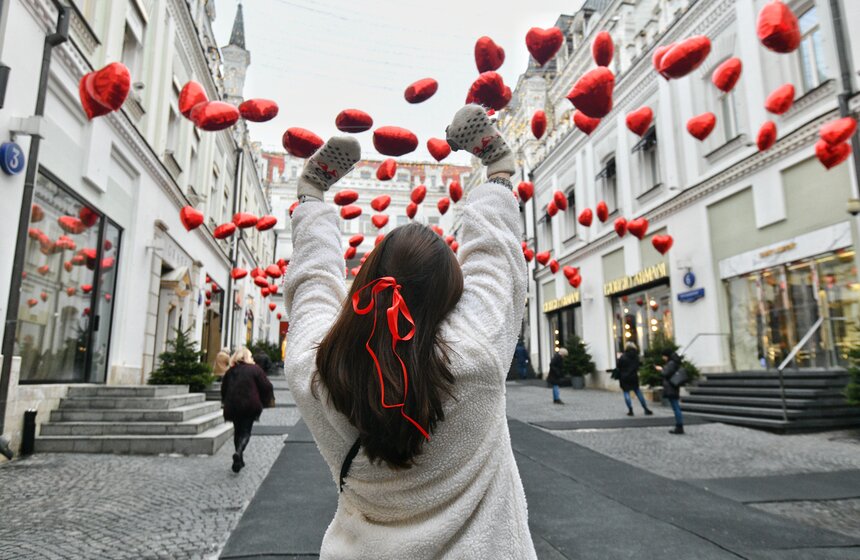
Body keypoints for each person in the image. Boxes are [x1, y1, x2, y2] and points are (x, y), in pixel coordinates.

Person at [283, 105, 537, 558]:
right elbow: (496, 260)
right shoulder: (477, 355)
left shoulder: (319, 373)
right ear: (451, 298)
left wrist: (311, 197)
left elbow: (313, 286)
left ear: (363, 283)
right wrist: (498, 172)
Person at [220, 347, 274, 473]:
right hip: (249, 405)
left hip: (233, 405)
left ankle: (239, 459)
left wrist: (225, 401)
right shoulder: (255, 369)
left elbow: (224, 388)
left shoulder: (230, 371)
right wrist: (265, 400)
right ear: (247, 357)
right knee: (245, 432)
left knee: (237, 431)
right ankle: (239, 452)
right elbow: (266, 386)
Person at [615, 343, 653, 416]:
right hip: (633, 376)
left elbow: (619, 366)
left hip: (624, 377)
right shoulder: (636, 356)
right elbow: (639, 365)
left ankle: (630, 410)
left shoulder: (623, 357)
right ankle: (645, 408)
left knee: (626, 393)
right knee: (638, 392)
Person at [658, 349, 685, 434]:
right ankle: (679, 425)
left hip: (671, 387)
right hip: (673, 386)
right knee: (675, 406)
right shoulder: (674, 362)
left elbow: (665, 373)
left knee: (675, 406)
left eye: (663, 356)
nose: (663, 358)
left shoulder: (671, 363)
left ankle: (679, 426)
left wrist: (661, 369)